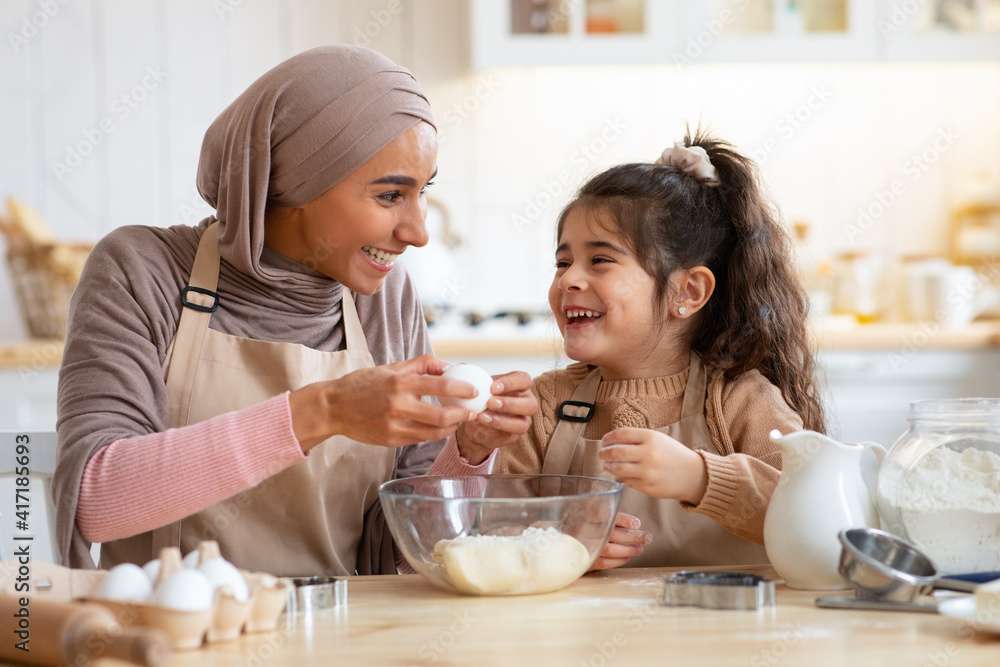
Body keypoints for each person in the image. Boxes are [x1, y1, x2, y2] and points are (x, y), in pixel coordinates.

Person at [52, 46, 536, 575]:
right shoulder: (143, 270)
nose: (418, 232)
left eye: (423, 193)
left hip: (345, 638)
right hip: (174, 639)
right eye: (390, 196)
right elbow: (95, 506)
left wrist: (467, 453)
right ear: (297, 182)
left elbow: (406, 549)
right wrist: (324, 411)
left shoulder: (384, 298)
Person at [494, 131, 826, 569]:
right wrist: (553, 538)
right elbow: (492, 529)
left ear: (687, 291)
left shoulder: (740, 400)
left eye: (600, 260)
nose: (568, 280)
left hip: (726, 633)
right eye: (562, 262)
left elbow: (814, 514)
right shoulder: (543, 407)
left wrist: (700, 478)